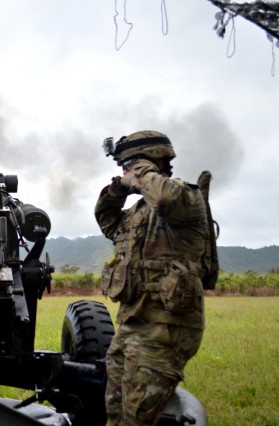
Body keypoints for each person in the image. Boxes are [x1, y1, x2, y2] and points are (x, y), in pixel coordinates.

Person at [94, 131, 207, 425]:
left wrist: (141, 172)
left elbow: (165, 197)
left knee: (138, 416)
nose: (126, 172)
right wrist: (118, 189)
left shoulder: (185, 197)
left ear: (152, 161)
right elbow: (106, 219)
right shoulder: (136, 214)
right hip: (132, 322)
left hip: (165, 329)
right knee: (115, 410)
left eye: (129, 165)